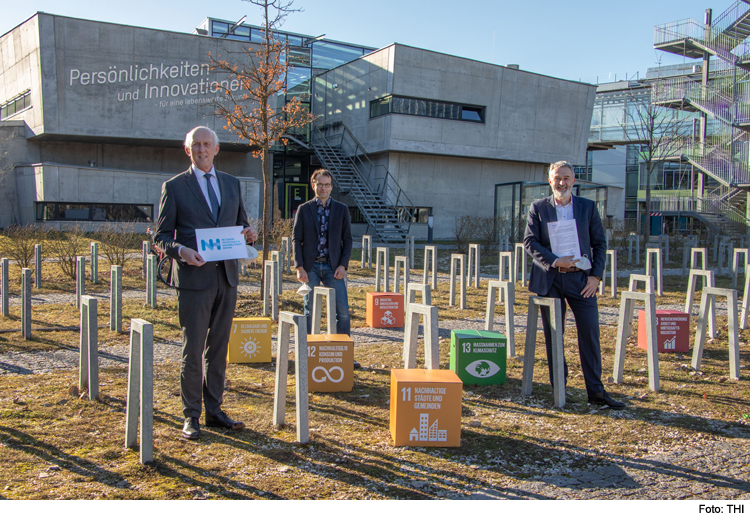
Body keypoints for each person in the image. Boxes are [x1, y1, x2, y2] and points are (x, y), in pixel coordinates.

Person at [155, 126, 258, 440]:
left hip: (226, 278)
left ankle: (214, 410)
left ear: (216, 149)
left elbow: (241, 224)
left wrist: (250, 233)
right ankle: (191, 416)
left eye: (207, 144)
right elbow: (160, 237)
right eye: (196, 145)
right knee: (194, 348)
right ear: (188, 150)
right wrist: (182, 251)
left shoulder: (231, 183)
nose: (201, 149)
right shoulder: (174, 187)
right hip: (194, 280)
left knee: (219, 349)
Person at [523, 160, 625, 409]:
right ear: (550, 180)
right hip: (551, 279)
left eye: (566, 178)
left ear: (574, 180)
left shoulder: (588, 208)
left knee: (590, 332)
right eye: (557, 178)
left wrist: (596, 276)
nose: (562, 182)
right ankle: (560, 387)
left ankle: (596, 391)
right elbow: (530, 242)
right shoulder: (538, 208)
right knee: (554, 335)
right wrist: (555, 260)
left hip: (582, 280)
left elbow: (600, 243)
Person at [292, 168, 353, 335]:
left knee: (342, 311)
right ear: (313, 185)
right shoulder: (304, 209)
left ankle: (343, 352)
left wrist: (343, 265)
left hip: (333, 267)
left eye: (327, 185)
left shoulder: (341, 209)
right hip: (309, 268)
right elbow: (296, 239)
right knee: (309, 311)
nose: (323, 188)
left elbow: (347, 240)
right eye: (320, 184)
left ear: (332, 187)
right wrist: (299, 267)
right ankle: (307, 351)